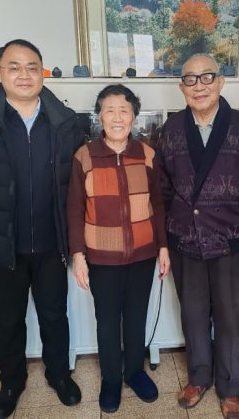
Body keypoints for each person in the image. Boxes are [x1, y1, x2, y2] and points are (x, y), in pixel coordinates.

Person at [0, 39, 83, 419]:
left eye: (32, 67)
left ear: (42, 72)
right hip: (1, 242)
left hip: (52, 241)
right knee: (8, 319)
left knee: (55, 315)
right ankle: (11, 382)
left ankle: (59, 375)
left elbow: (78, 183)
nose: (24, 74)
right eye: (14, 67)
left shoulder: (64, 121)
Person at [155, 53, 239, 419]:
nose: (199, 85)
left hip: (230, 239)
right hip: (185, 239)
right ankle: (198, 377)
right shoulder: (171, 130)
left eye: (207, 77)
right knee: (192, 314)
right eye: (190, 79)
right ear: (182, 87)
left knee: (231, 317)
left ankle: (231, 388)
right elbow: (162, 189)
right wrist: (165, 238)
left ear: (221, 82)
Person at [68, 84, 170, 413]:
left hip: (143, 254)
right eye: (109, 110)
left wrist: (163, 246)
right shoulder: (84, 156)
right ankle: (111, 379)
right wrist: (79, 256)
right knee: (108, 321)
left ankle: (135, 372)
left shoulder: (147, 154)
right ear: (99, 116)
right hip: (101, 258)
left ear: (133, 117)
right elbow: (74, 208)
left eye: (123, 110)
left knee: (137, 317)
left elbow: (158, 203)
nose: (116, 117)